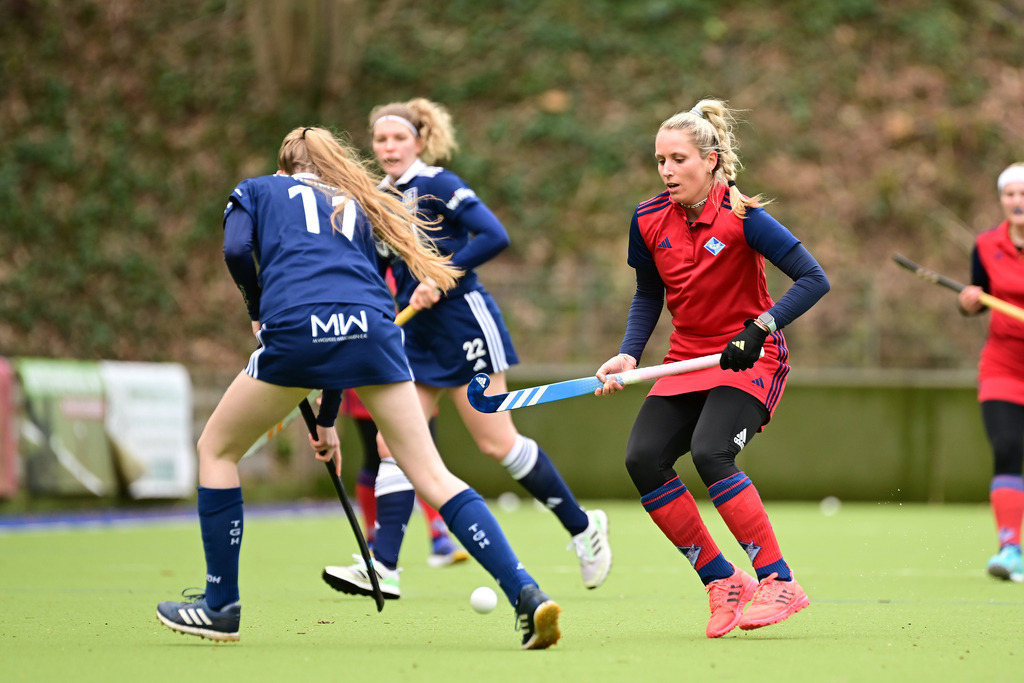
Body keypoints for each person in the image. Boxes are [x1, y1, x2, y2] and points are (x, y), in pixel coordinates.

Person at [155, 126, 561, 650]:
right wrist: (326, 422)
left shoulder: (256, 189)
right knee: (432, 474)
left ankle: (220, 605)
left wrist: (257, 312)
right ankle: (525, 593)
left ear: (284, 169)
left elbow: (237, 249)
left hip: (298, 331)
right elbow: (347, 305)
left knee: (217, 449)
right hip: (375, 331)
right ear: (331, 166)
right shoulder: (354, 202)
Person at [323, 98, 612, 598]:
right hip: (415, 335)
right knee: (394, 444)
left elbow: (494, 235)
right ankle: (384, 565)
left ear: (418, 140)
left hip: (464, 324)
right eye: (380, 139)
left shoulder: (440, 184)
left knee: (496, 442)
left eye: (398, 138)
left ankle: (583, 526)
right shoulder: (377, 198)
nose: (388, 147)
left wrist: (443, 273)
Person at [593, 99, 830, 638]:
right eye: (659, 161)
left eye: (678, 159)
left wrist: (761, 327)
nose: (667, 171)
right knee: (643, 459)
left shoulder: (747, 218)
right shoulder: (649, 218)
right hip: (687, 358)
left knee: (710, 451)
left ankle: (779, 580)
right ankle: (722, 580)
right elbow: (648, 293)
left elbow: (814, 278)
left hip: (751, 358)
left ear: (711, 160)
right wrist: (630, 351)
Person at [956, 162, 1024, 583]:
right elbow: (979, 295)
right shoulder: (986, 244)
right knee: (1007, 448)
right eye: (1011, 195)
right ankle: (1010, 548)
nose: (1018, 202)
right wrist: (970, 301)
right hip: (1003, 365)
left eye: (1023, 194)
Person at [342, 387, 470, 567]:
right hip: (366, 380)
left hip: (414, 381)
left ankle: (439, 536)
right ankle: (373, 540)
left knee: (426, 458)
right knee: (374, 460)